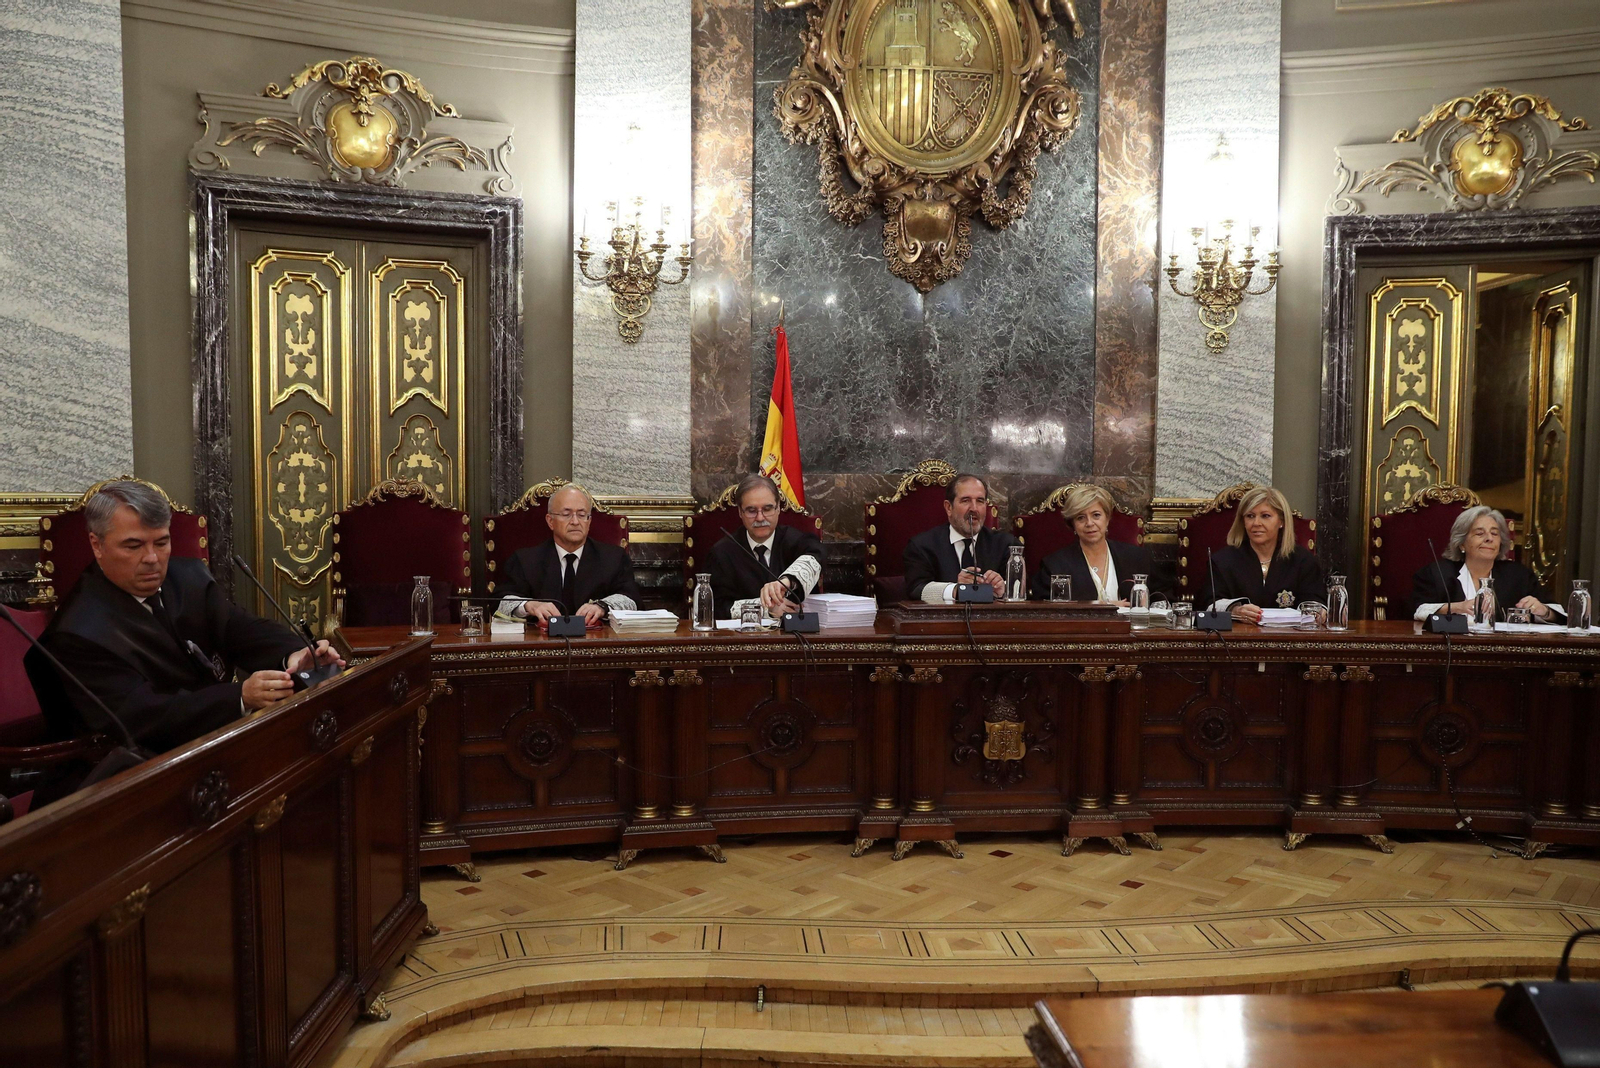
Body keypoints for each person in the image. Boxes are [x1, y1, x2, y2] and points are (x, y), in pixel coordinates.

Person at [25, 481, 344, 754]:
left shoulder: (187, 577)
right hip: (132, 772)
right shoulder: (77, 633)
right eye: (133, 546)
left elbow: (239, 628)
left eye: (161, 542)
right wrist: (239, 697)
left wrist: (295, 654)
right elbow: (142, 716)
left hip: (207, 743)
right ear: (97, 545)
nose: (152, 559)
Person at [498, 483, 641, 626]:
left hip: (596, 642)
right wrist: (528, 606)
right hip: (540, 642)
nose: (575, 522)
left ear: (589, 521)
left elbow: (632, 600)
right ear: (550, 521)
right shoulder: (525, 560)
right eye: (566, 515)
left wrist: (602, 606)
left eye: (582, 515)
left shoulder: (613, 558)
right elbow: (500, 602)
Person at [1410, 505, 1564, 623]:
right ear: (1462, 544)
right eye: (1479, 533)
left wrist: (1543, 611)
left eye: (1494, 533)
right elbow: (1416, 610)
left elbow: (1558, 612)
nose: (1489, 538)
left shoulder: (1519, 575)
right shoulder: (1437, 573)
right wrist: (1457, 607)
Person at [1196, 486, 1325, 624]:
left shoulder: (1303, 561)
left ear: (1281, 521)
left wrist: (1317, 613)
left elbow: (1316, 602)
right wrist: (1234, 611)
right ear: (1243, 522)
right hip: (1236, 640)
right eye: (1250, 516)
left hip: (1290, 640)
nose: (1256, 523)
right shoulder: (1222, 561)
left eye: (1265, 516)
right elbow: (1208, 605)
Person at [704, 474, 824, 619]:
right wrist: (765, 609)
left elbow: (818, 555)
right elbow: (716, 607)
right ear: (740, 512)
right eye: (751, 511)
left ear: (778, 508)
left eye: (767, 509)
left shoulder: (795, 540)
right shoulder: (722, 553)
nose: (760, 518)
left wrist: (786, 581)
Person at [1027, 485, 1168, 604]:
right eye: (1081, 518)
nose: (1089, 523)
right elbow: (1045, 608)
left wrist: (1145, 608)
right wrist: (1098, 607)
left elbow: (1164, 597)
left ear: (1107, 519)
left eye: (1096, 515)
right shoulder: (1055, 566)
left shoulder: (1137, 558)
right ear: (1073, 525)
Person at [902, 473, 1019, 602]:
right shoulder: (922, 546)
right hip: (941, 621)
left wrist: (1004, 588)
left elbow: (1021, 589)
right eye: (966, 500)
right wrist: (956, 590)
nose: (974, 508)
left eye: (980, 501)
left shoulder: (1007, 545)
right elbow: (916, 589)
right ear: (948, 508)